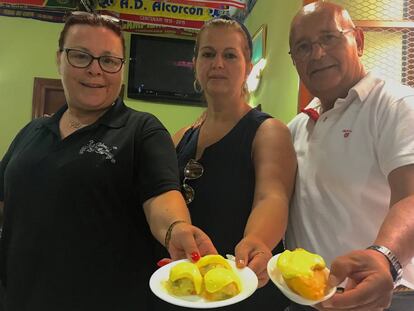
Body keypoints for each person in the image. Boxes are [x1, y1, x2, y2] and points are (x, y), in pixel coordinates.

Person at [0, 12, 217, 311]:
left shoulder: (141, 130)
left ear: (121, 69)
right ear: (59, 59)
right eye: (81, 56)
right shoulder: (31, 132)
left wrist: (175, 229)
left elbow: (162, 197)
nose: (95, 70)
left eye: (108, 60)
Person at [153, 16, 297, 310]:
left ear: (248, 66)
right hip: (191, 292)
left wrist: (257, 240)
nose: (218, 63)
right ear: (195, 64)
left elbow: (272, 196)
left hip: (243, 287)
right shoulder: (182, 136)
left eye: (230, 55)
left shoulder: (268, 131)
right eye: (208, 54)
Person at [285, 2, 414, 310]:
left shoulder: (397, 105)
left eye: (329, 38)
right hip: (308, 300)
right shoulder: (294, 128)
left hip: (388, 296)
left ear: (358, 40)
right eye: (303, 47)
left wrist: (384, 258)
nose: (316, 54)